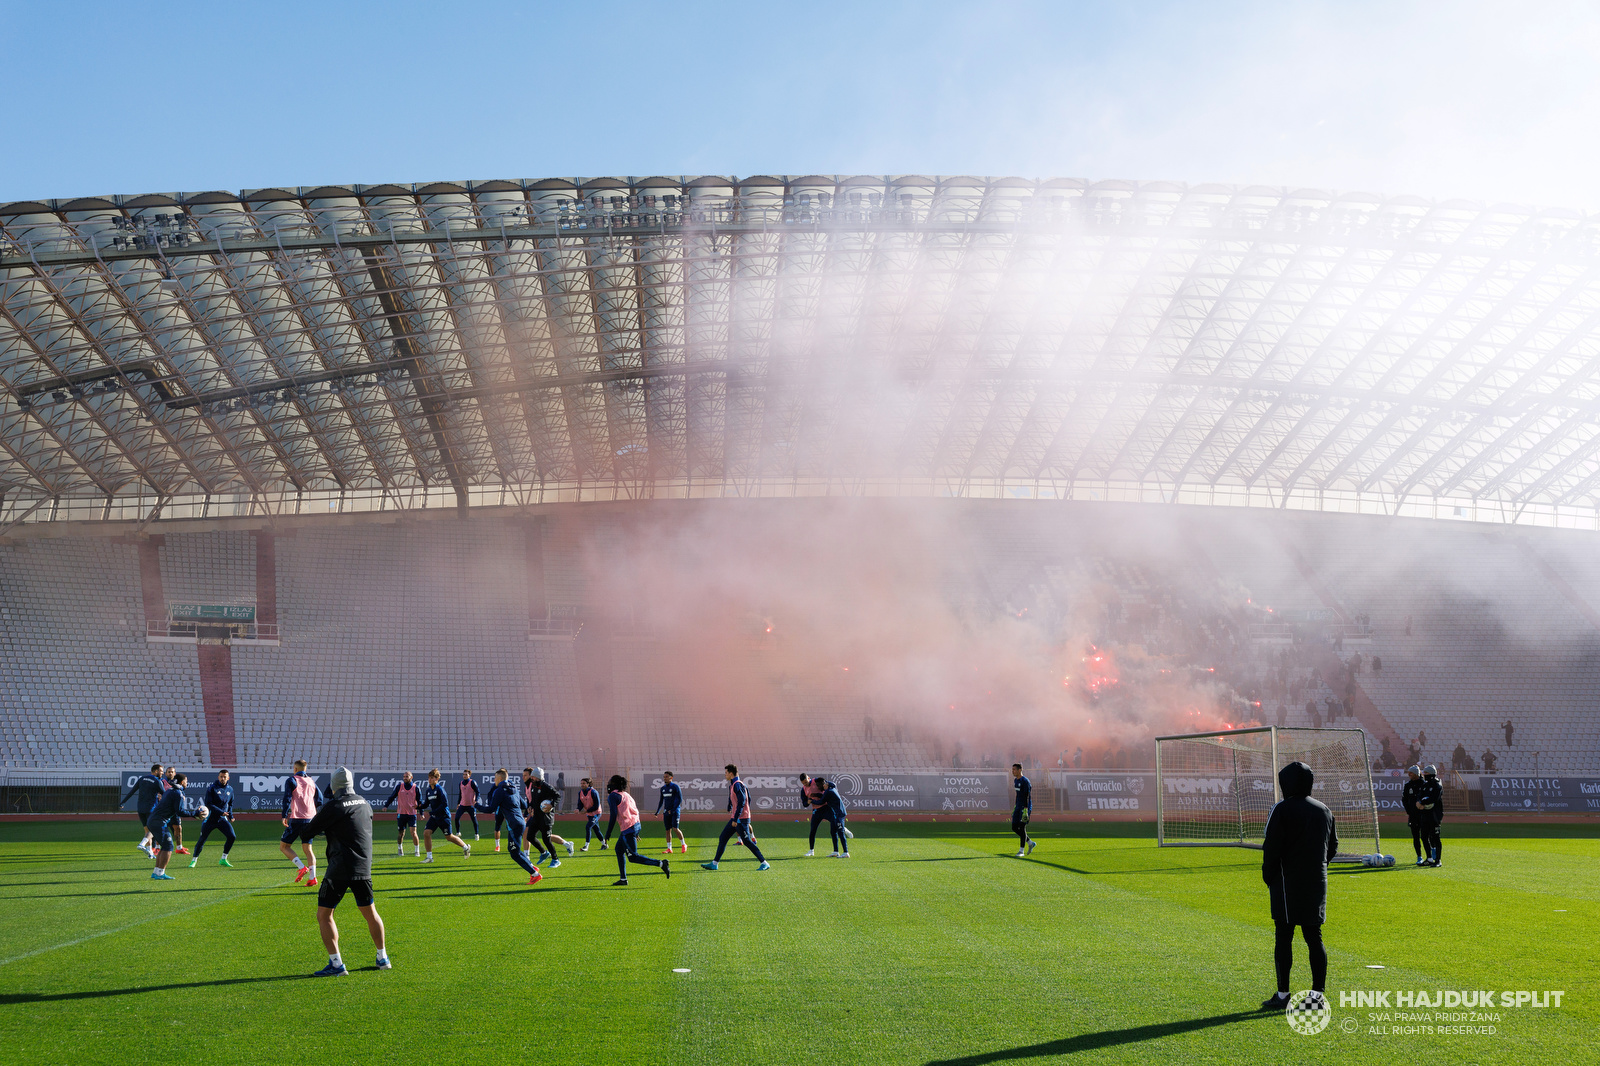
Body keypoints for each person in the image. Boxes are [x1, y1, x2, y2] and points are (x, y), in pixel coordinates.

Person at [1258, 761, 1337, 1012]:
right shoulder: (1324, 809)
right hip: (1317, 881)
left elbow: (1271, 847)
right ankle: (1318, 995)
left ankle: (1283, 995)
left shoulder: (1281, 809)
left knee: (1284, 935)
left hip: (1286, 883)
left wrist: (1269, 876)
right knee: (1314, 936)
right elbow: (1332, 847)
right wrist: (1317, 867)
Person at [301, 767, 390, 976]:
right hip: (363, 867)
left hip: (339, 868)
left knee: (324, 914)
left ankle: (336, 963)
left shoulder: (333, 806)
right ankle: (382, 957)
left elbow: (307, 831)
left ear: (334, 786)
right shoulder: (364, 803)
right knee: (370, 913)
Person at [473, 768, 543, 886]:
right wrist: (524, 816)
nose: (494, 780)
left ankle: (535, 874)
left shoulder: (499, 790)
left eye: (495, 778)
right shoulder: (514, 788)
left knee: (514, 853)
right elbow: (525, 805)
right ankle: (532, 867)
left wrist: (477, 806)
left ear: (500, 778)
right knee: (515, 850)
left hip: (514, 825)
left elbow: (491, 809)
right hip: (519, 822)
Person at [700, 764, 770, 872]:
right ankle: (714, 864)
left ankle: (764, 862)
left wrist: (737, 817)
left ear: (731, 773)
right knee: (723, 838)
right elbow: (748, 799)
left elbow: (742, 801)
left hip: (740, 819)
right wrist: (730, 806)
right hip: (736, 817)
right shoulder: (734, 785)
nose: (725, 774)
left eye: (726, 773)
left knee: (746, 841)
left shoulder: (737, 784)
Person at [604, 774, 670, 886]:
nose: (608, 784)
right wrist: (636, 830)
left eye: (610, 781)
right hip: (634, 825)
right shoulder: (626, 795)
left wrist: (608, 832)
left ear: (614, 784)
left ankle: (661, 863)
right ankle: (623, 879)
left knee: (633, 857)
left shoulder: (613, 796)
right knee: (619, 850)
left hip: (628, 828)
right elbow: (635, 810)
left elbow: (613, 814)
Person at [145, 772, 206, 880]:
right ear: (182, 782)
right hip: (159, 822)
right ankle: (160, 873)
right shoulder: (177, 793)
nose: (187, 783)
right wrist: (195, 813)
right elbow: (180, 812)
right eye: (186, 781)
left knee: (165, 846)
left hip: (154, 821)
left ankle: (156, 872)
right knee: (169, 847)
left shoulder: (171, 790)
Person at [278, 759, 323, 887]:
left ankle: (302, 867)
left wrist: (284, 815)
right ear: (305, 769)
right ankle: (313, 878)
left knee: (284, 846)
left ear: (295, 769)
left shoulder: (292, 780)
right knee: (308, 849)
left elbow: (287, 798)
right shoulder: (311, 781)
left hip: (297, 818)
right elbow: (319, 800)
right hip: (311, 819)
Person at [521, 767, 572, 866]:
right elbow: (533, 801)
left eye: (533, 777)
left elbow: (558, 796)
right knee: (530, 836)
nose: (532, 779)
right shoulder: (533, 787)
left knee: (546, 839)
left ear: (538, 777)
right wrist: (530, 807)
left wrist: (551, 805)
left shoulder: (546, 787)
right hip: (536, 817)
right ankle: (544, 853)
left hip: (546, 817)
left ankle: (556, 860)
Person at [418, 769, 470, 862]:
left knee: (449, 837)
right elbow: (426, 803)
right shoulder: (429, 790)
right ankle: (429, 857)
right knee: (426, 833)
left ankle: (465, 847)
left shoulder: (440, 789)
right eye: (429, 778)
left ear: (437, 778)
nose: (429, 780)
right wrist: (418, 806)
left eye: (432, 778)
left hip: (443, 817)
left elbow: (444, 804)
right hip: (434, 817)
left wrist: (431, 813)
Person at [191, 769, 237, 867]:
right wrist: (221, 812)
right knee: (202, 839)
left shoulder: (230, 789)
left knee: (232, 836)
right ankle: (194, 860)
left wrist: (231, 816)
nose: (223, 778)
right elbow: (209, 804)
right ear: (218, 777)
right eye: (221, 776)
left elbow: (230, 804)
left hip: (222, 819)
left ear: (228, 778)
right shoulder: (212, 788)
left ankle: (223, 859)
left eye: (225, 777)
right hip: (210, 819)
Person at [120, 763, 164, 856]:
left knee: (147, 830)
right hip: (151, 809)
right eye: (161, 771)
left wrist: (123, 802)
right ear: (156, 771)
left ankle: (150, 853)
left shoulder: (142, 779)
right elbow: (165, 794)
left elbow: (131, 792)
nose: (162, 773)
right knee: (154, 829)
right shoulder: (157, 781)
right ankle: (142, 844)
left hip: (140, 809)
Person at [382, 771, 421, 857]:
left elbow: (419, 801)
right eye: (404, 776)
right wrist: (386, 805)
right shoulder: (399, 787)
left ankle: (417, 851)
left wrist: (421, 813)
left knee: (413, 833)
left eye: (407, 776)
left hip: (412, 814)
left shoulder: (416, 788)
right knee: (401, 833)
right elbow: (392, 797)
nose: (405, 778)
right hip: (401, 813)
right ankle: (400, 848)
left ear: (411, 777)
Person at [1416, 765, 1444, 867]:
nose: (1424, 775)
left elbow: (1433, 799)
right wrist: (1419, 801)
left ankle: (1438, 860)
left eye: (1426, 773)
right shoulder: (1425, 785)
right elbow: (1420, 795)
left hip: (1435, 816)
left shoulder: (1437, 785)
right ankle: (1429, 858)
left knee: (1436, 837)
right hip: (1425, 815)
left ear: (1431, 774)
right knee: (1423, 837)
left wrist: (1422, 801)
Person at [1400, 765, 1426, 864]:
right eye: (1408, 772)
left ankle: (1430, 856)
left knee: (1425, 836)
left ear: (1416, 773)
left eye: (1411, 773)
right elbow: (1404, 799)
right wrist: (1409, 811)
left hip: (1423, 815)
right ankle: (1419, 856)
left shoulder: (1424, 784)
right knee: (1415, 836)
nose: (1409, 774)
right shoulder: (1408, 785)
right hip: (1413, 816)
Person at [819, 777, 850, 858]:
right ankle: (836, 851)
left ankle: (846, 852)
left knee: (840, 833)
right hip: (836, 814)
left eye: (825, 784)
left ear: (828, 785)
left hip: (839, 814)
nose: (824, 785)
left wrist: (811, 801)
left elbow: (821, 801)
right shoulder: (832, 790)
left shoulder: (829, 791)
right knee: (833, 832)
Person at [656, 771, 686, 854]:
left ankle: (683, 844)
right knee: (667, 830)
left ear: (671, 777)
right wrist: (657, 811)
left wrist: (673, 810)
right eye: (664, 776)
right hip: (666, 812)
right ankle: (669, 848)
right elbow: (661, 801)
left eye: (666, 776)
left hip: (675, 811)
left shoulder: (675, 787)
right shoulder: (662, 789)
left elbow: (679, 799)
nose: (664, 778)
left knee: (675, 828)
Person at [161, 767, 189, 855]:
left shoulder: (178, 784)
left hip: (175, 810)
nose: (170, 773)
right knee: (161, 828)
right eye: (168, 772)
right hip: (165, 810)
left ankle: (179, 848)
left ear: (174, 773)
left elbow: (181, 793)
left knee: (178, 828)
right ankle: (157, 848)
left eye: (172, 772)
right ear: (166, 773)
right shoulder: (162, 782)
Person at [1010, 762, 1036, 857]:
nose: (1013, 771)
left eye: (1014, 769)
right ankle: (1030, 843)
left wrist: (1026, 809)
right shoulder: (1015, 781)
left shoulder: (1025, 781)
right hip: (1018, 806)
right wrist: (1015, 806)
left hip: (1025, 807)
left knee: (1022, 827)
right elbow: (1018, 795)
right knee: (1014, 827)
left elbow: (1027, 796)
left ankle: (1021, 851)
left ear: (1020, 770)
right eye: (1012, 770)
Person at [576, 777, 607, 851]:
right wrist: (578, 809)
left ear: (588, 784)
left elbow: (596, 806)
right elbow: (580, 803)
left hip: (596, 813)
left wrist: (586, 811)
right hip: (589, 814)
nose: (582, 785)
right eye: (581, 783)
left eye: (583, 783)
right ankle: (604, 844)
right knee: (596, 830)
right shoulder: (580, 792)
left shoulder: (593, 792)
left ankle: (586, 846)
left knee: (588, 827)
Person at [800, 773, 827, 857]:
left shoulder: (817, 781)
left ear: (808, 778)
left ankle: (843, 829)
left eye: (806, 781)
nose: (805, 784)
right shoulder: (803, 789)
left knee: (835, 823)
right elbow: (804, 804)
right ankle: (811, 850)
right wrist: (807, 802)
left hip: (826, 807)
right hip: (816, 810)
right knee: (812, 830)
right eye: (803, 783)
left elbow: (828, 786)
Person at [455, 770, 481, 841]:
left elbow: (478, 792)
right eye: (463, 774)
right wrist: (458, 803)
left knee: (474, 820)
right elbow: (460, 794)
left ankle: (476, 834)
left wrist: (476, 800)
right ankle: (458, 832)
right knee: (456, 818)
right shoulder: (460, 783)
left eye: (466, 774)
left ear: (469, 775)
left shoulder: (472, 782)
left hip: (471, 805)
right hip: (462, 805)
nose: (464, 776)